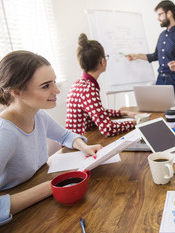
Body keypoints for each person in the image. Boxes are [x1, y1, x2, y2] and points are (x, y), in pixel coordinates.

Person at [0, 50, 102, 226]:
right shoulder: (5, 135)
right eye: (46, 86)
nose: (56, 90)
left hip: (40, 199)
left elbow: (65, 135)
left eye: (54, 82)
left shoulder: (37, 115)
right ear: (16, 92)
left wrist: (84, 147)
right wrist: (52, 186)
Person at [66, 33, 140, 137]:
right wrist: (136, 122)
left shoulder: (78, 84)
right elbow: (108, 129)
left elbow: (98, 111)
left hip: (79, 140)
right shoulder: (88, 89)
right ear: (102, 62)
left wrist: (124, 113)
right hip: (82, 144)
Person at [126, 0, 175, 105]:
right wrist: (136, 56)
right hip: (160, 79)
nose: (158, 18)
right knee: (158, 110)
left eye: (160, 14)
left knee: (174, 112)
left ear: (169, 13)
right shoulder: (162, 35)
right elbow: (155, 56)